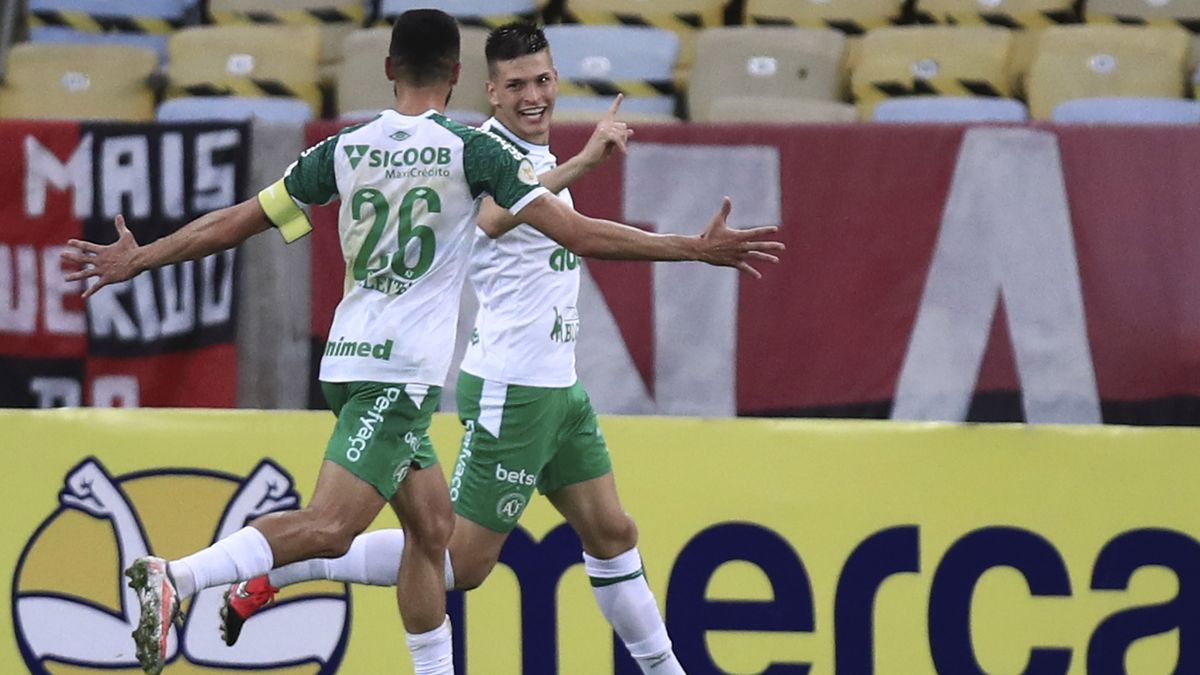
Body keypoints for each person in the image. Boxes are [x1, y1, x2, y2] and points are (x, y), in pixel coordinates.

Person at [64, 10, 780, 675]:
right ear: (464, 77)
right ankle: (180, 575)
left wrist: (142, 257)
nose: (534, 94)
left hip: (353, 359)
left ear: (387, 68)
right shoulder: (471, 153)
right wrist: (691, 246)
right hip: (397, 376)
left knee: (433, 531)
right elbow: (576, 234)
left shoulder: (342, 148)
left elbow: (240, 220)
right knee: (330, 527)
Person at [218, 22, 698, 674]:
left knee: (613, 532)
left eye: (543, 79)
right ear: (490, 91)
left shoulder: (533, 152)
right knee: (457, 563)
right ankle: (280, 570)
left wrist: (574, 160)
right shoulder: (483, 151)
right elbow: (496, 219)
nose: (534, 95)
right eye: (517, 84)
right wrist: (586, 163)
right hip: (512, 386)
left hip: (559, 385)